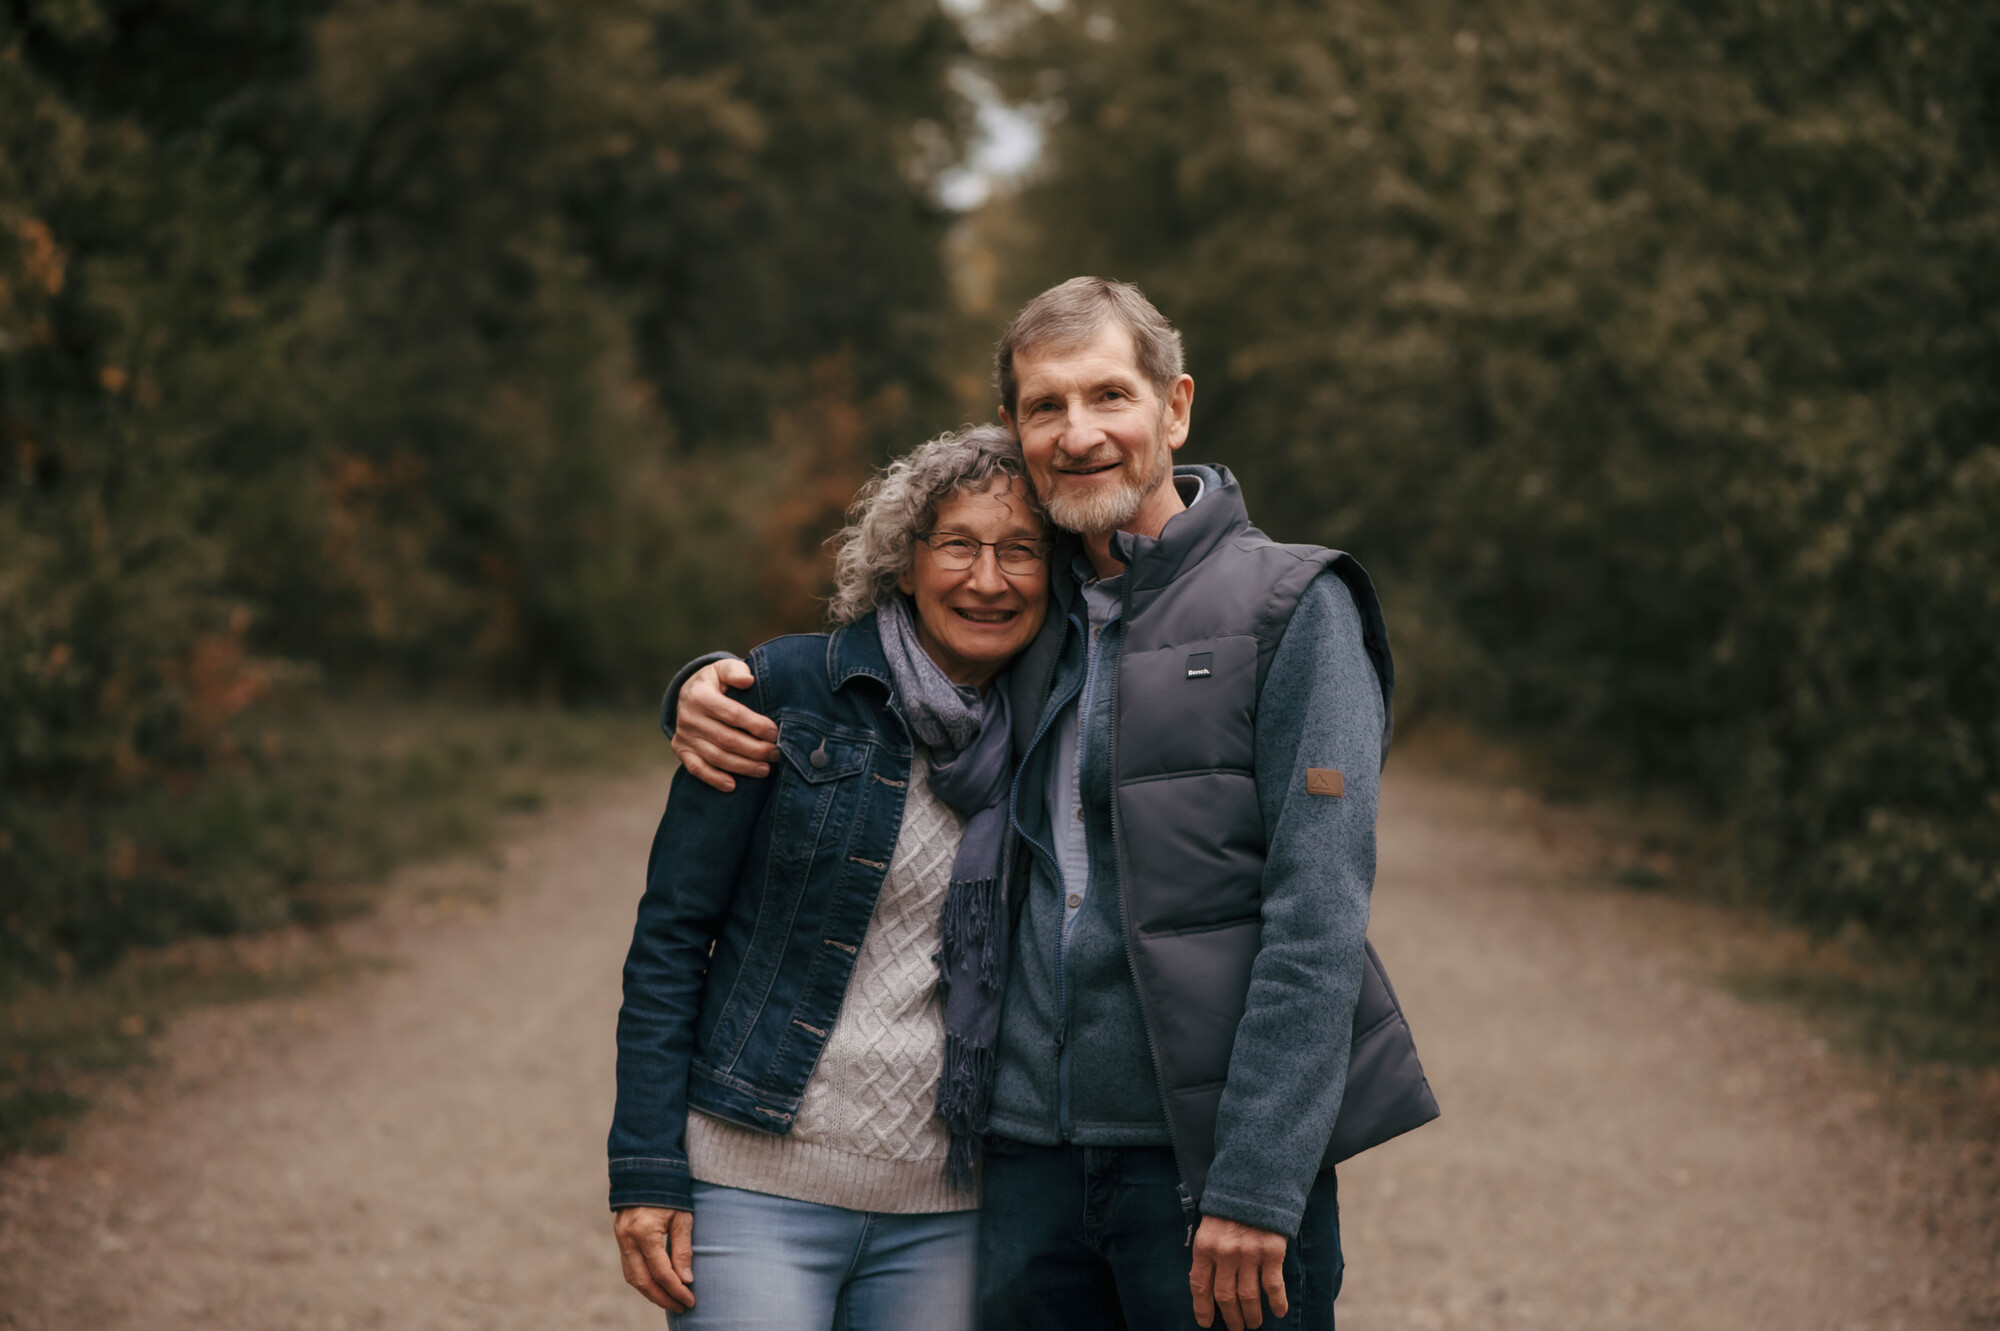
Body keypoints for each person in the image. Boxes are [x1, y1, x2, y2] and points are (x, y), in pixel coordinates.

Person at [667, 278, 1439, 1331]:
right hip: (1024, 1169)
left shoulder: (1294, 609)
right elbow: (870, 670)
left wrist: (1256, 1179)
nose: (1077, 432)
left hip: (1202, 1169)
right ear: (1013, 429)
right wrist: (705, 679)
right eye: (1044, 405)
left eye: (1108, 395)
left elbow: (1317, 915)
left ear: (1173, 408)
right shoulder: (1031, 605)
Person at [607, 425, 1052, 1330]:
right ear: (904, 560)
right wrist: (647, 1169)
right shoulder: (787, 690)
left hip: (952, 1208)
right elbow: (669, 940)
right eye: (958, 544)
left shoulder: (1059, 730)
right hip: (753, 1183)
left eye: (1022, 551)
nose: (988, 578)